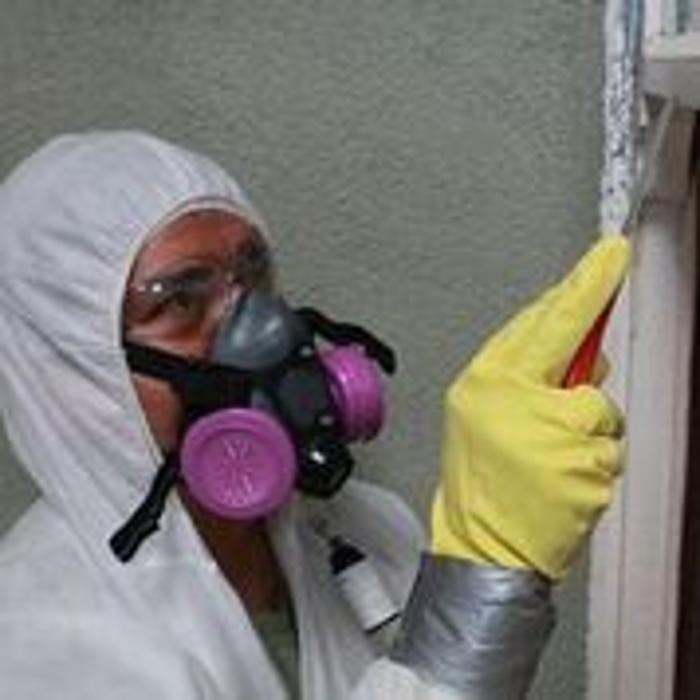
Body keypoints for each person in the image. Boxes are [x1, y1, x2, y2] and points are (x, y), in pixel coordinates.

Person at [0, 131, 629, 699]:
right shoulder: (41, 636)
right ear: (75, 374)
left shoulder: (368, 529)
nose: (263, 328)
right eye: (182, 300)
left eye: (252, 276)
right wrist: (483, 580)